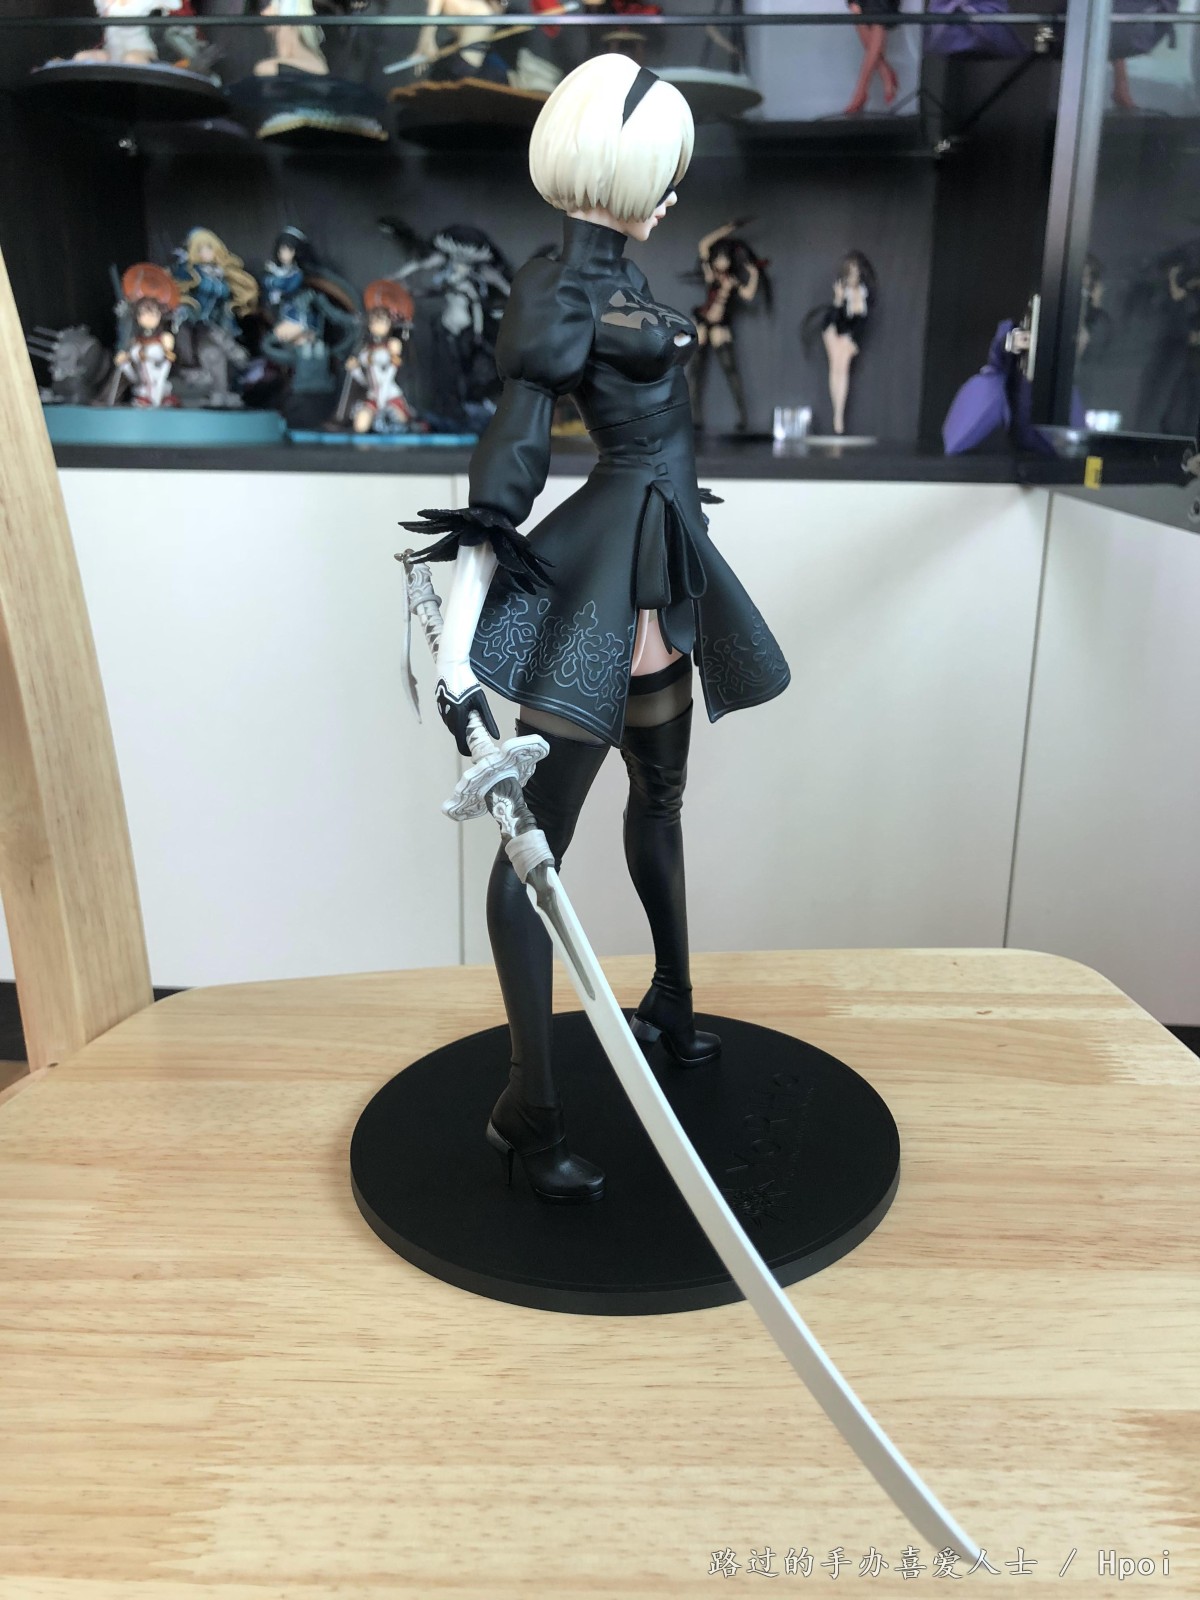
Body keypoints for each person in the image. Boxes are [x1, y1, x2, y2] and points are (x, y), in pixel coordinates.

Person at [403, 55, 790, 1205]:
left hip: (661, 575)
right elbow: (509, 467)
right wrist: (456, 650)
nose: (672, 195)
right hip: (604, 585)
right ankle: (527, 1110)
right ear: (632, 175)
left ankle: (671, 995)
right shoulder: (560, 293)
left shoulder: (617, 282)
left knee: (661, 798)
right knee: (536, 857)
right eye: (666, 172)